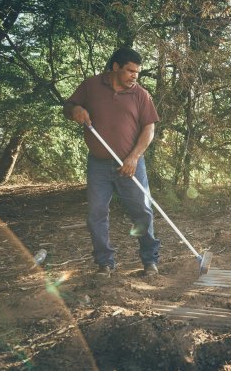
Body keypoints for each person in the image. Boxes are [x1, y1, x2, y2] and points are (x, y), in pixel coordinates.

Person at [63, 47, 160, 277]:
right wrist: (75, 109)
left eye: (137, 72)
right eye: (129, 71)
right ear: (115, 67)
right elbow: (67, 107)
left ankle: (150, 261)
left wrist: (134, 157)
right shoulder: (91, 85)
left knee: (142, 212)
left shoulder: (141, 95)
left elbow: (149, 129)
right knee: (96, 213)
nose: (134, 76)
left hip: (131, 164)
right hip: (98, 163)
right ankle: (105, 263)